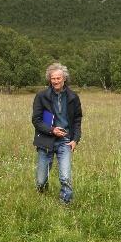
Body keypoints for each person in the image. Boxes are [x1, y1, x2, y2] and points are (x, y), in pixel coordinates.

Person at [32, 62, 82, 204]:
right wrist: (52, 130)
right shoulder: (42, 96)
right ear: (50, 79)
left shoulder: (73, 97)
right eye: (53, 78)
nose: (55, 81)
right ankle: (42, 195)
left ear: (64, 78)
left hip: (65, 141)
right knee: (41, 180)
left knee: (65, 176)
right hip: (46, 141)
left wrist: (75, 139)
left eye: (58, 78)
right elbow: (36, 120)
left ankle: (65, 203)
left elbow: (77, 119)